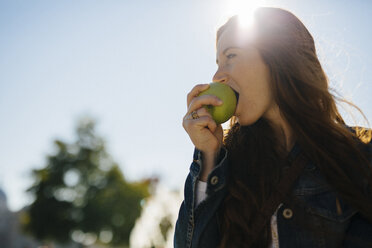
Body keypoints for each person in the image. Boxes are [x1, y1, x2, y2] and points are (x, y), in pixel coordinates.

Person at [174, 7, 372, 248]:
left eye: (231, 56)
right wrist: (208, 158)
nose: (217, 76)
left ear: (278, 57)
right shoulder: (225, 166)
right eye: (218, 62)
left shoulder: (359, 158)